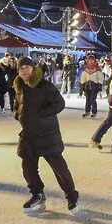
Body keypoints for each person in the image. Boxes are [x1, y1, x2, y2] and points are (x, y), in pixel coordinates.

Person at [11, 56, 80, 214]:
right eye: (21, 68)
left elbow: (60, 104)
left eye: (27, 67)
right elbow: (17, 105)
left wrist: (41, 114)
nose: (24, 71)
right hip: (28, 135)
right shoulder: (19, 86)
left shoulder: (45, 86)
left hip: (47, 134)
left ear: (33, 69)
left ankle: (72, 197)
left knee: (60, 169)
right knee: (28, 168)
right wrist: (17, 114)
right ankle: (37, 194)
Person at [80, 54, 103, 118]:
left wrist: (100, 85)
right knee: (87, 99)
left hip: (94, 85)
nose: (91, 62)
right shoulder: (86, 68)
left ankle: (94, 112)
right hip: (87, 84)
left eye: (92, 60)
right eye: (89, 60)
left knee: (93, 99)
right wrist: (83, 84)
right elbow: (83, 77)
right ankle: (87, 111)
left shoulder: (97, 68)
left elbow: (100, 77)